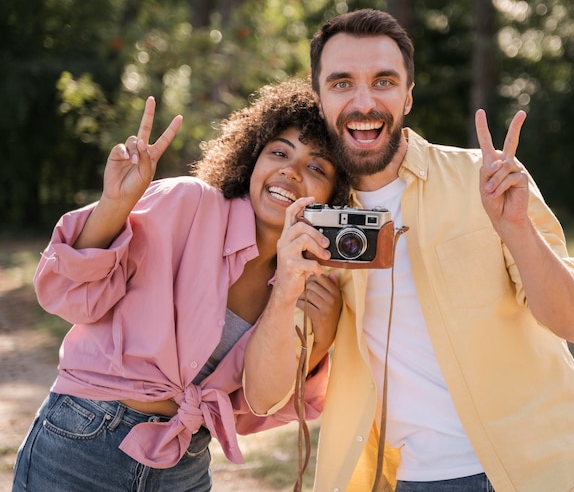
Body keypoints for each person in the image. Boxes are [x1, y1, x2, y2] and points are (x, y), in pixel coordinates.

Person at [244, 9, 574, 492]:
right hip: (421, 480)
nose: (363, 101)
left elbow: (573, 323)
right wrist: (289, 285)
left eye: (383, 81)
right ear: (319, 98)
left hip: (548, 467)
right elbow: (264, 397)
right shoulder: (314, 223)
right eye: (341, 84)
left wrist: (518, 230)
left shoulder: (486, 178)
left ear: (408, 96)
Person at [12, 78, 350, 492]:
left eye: (316, 167)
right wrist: (115, 205)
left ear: (335, 196)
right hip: (85, 439)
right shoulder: (188, 203)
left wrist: (317, 333)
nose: (291, 172)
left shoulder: (307, 282)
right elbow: (66, 296)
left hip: (183, 462)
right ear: (252, 159)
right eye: (279, 151)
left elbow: (256, 407)